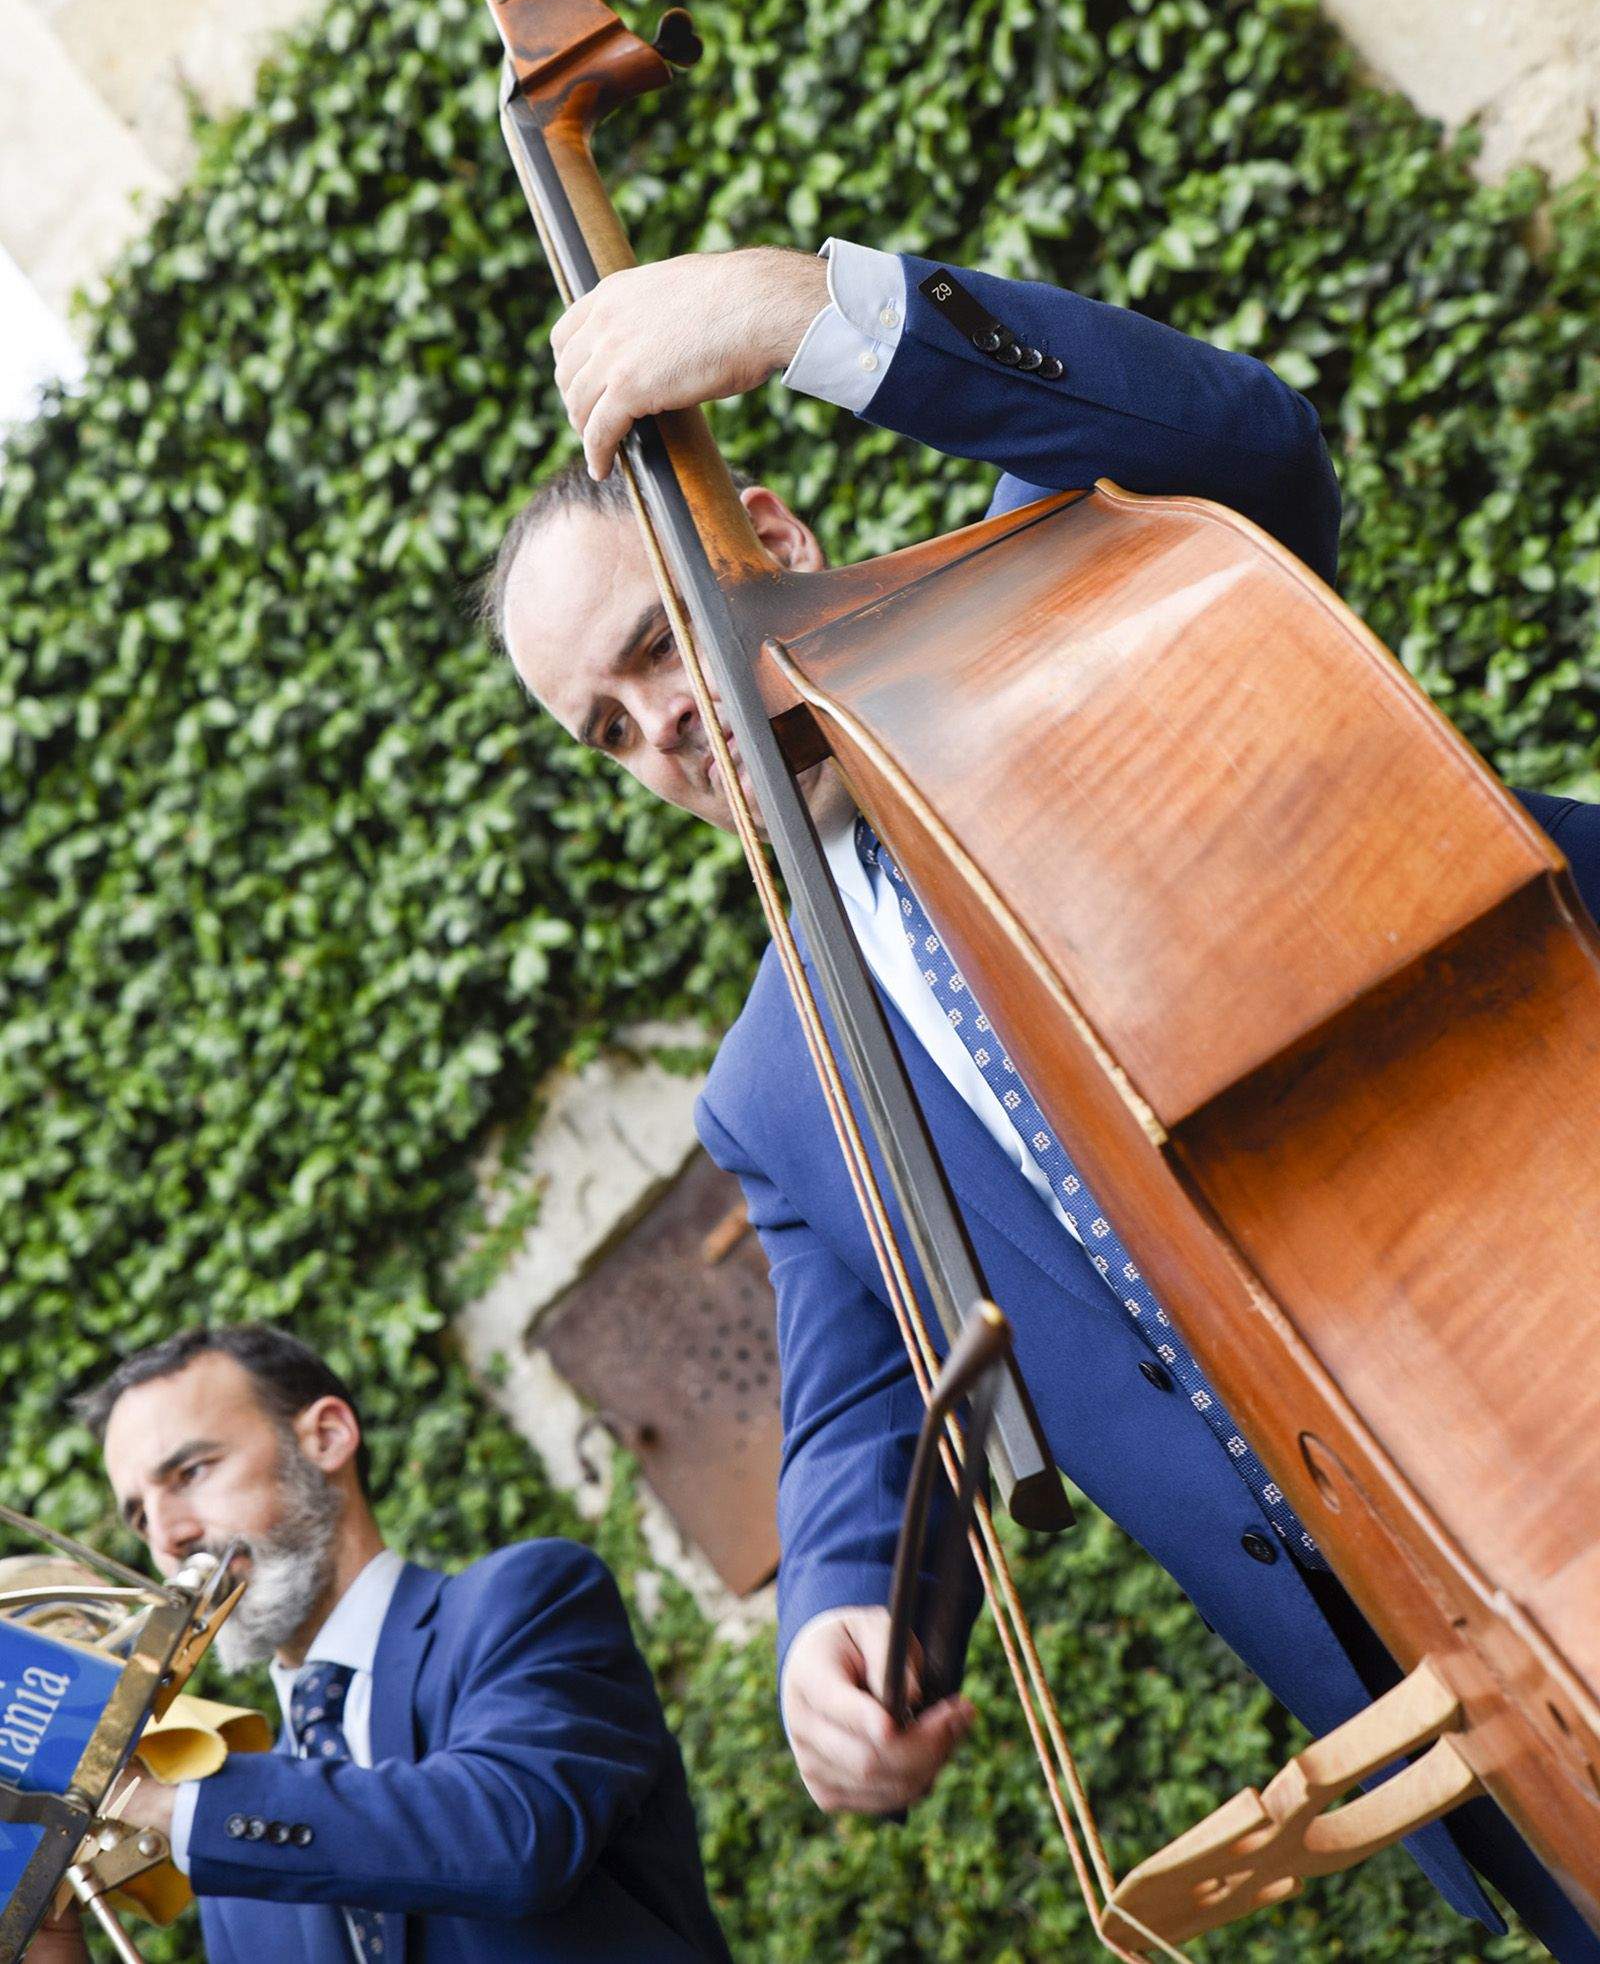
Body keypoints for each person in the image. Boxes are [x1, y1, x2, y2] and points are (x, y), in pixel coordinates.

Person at [487, 237, 1600, 1962]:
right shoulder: (777, 1089)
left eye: (658, 643)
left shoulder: (1078, 605)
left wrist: (804, 314)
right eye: (608, 733)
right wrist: (831, 1626)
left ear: (771, 536)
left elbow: (1245, 443)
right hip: (1495, 1699)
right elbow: (862, 1415)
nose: (663, 728)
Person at [37, 1324, 730, 1964]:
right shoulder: (227, 1863)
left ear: (328, 1437)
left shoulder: (530, 1599)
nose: (167, 1538)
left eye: (190, 1473)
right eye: (140, 1518)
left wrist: (169, 1808)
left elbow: (516, 1836)